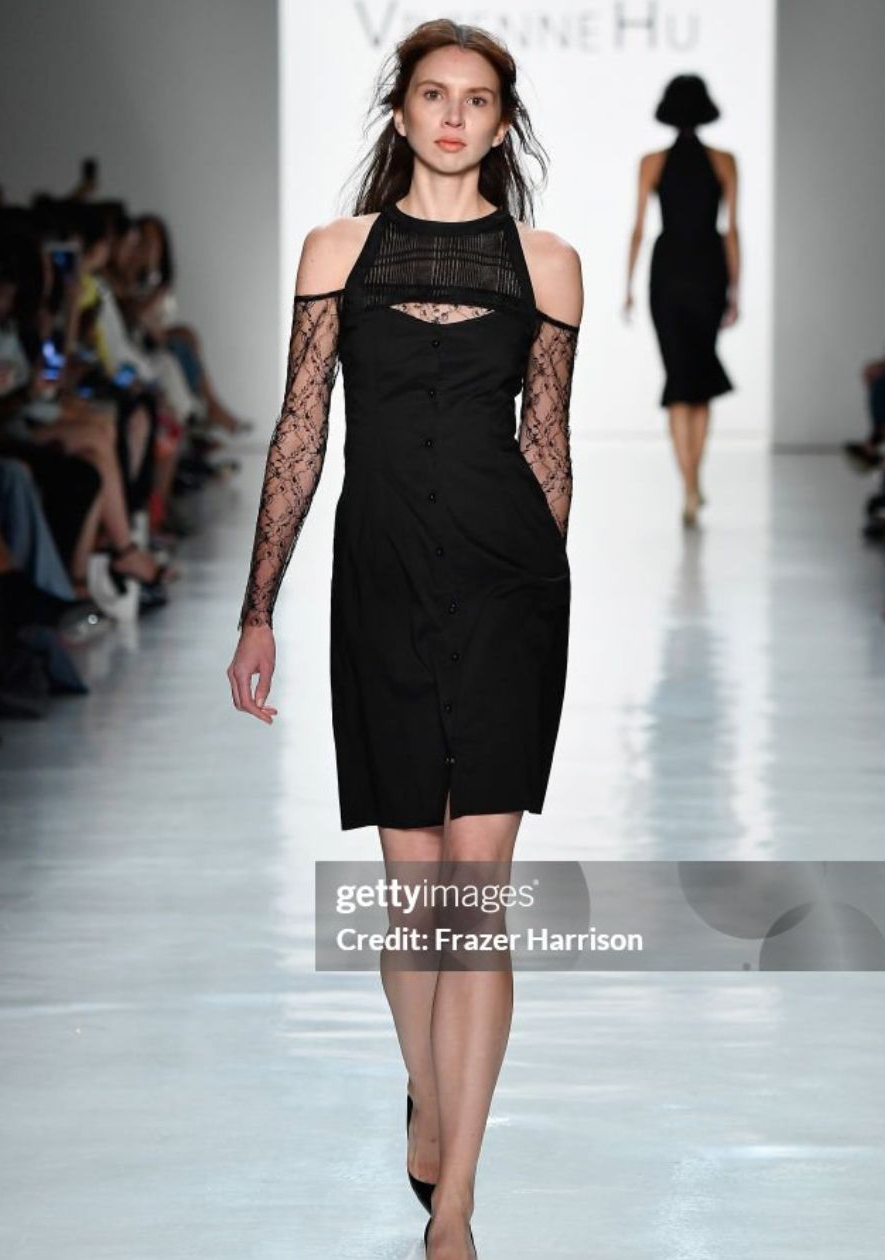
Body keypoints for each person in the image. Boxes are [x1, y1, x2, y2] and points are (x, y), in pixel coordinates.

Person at [226, 19, 583, 1259]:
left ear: (500, 122)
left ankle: (462, 1202)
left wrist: (547, 600)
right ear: (400, 113)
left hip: (504, 589)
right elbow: (296, 437)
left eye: (476, 101)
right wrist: (258, 607)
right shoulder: (338, 252)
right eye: (432, 95)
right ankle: (427, 1093)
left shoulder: (548, 261)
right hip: (377, 581)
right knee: (413, 899)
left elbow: (549, 448)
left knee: (475, 904)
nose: (451, 117)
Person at [624, 74, 739, 527]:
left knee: (680, 379)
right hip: (708, 270)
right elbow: (732, 231)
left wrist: (628, 286)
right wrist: (736, 289)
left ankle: (689, 487)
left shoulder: (651, 162)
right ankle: (693, 483)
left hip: (668, 271)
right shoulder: (724, 160)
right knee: (700, 379)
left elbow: (637, 228)